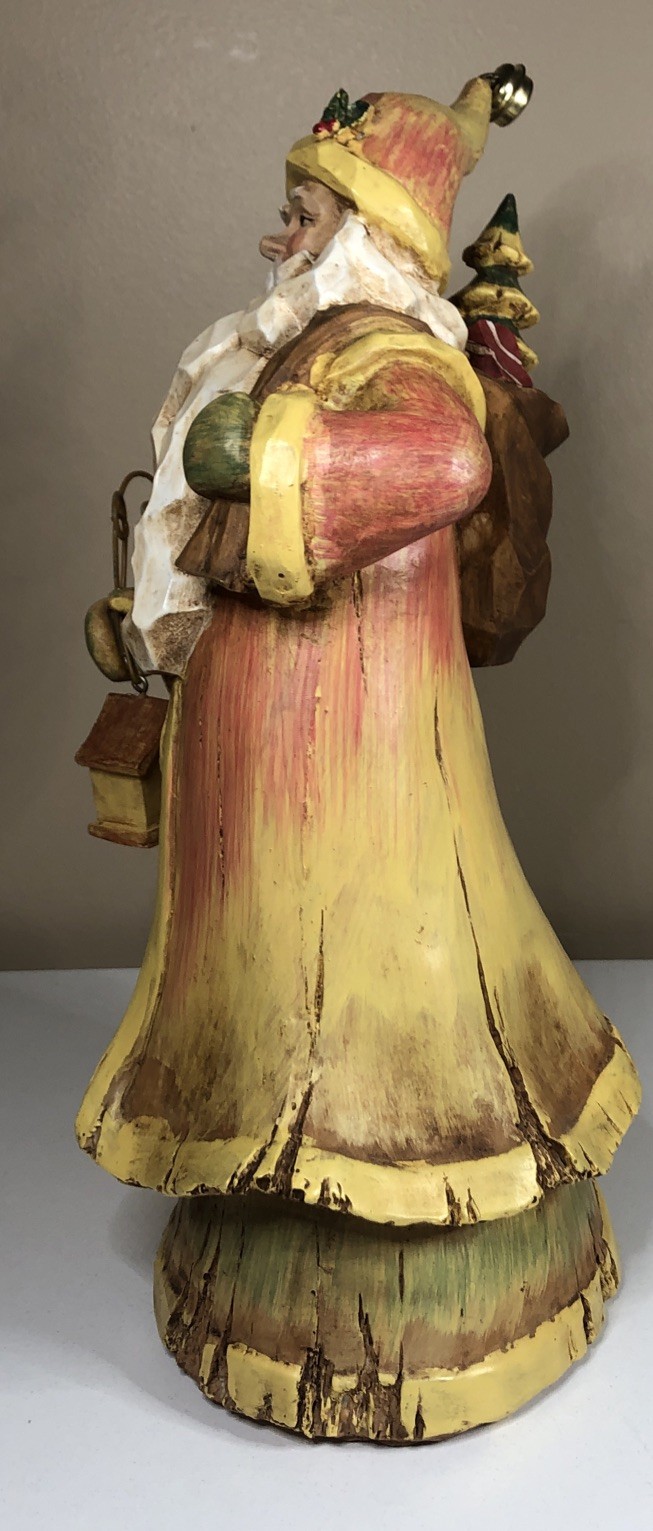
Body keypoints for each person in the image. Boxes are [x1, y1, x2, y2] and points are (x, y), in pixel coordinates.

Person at [77, 73, 640, 1440]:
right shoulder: (303, 342)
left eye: (305, 212)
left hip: (359, 746)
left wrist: (267, 452)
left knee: (369, 987)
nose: (279, 236)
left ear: (370, 232)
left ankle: (404, 1205)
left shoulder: (391, 351)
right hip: (265, 739)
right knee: (266, 977)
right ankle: (271, 1175)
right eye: (286, 209)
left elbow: (440, 464)